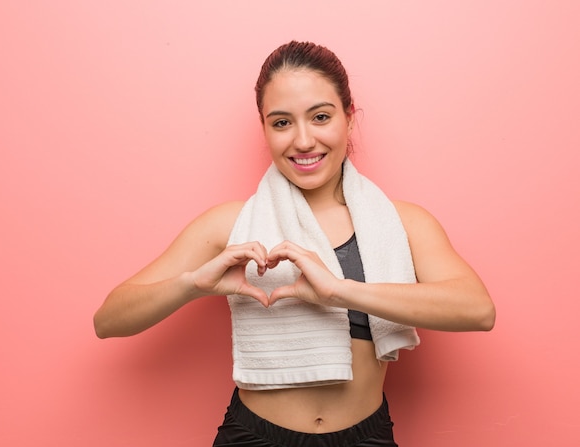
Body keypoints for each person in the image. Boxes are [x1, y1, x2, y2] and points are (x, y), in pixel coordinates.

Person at [94, 41, 495, 446]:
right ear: (265, 128)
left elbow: (478, 310)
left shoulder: (403, 223)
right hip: (253, 435)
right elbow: (108, 320)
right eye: (282, 123)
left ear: (349, 118)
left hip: (367, 436)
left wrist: (340, 291)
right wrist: (193, 283)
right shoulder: (230, 224)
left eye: (320, 117)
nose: (303, 141)